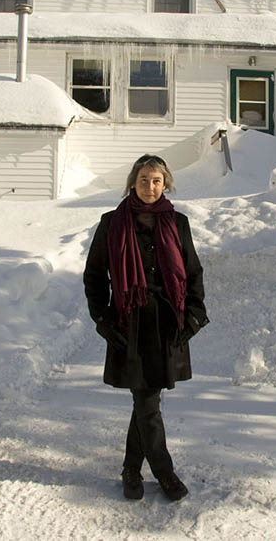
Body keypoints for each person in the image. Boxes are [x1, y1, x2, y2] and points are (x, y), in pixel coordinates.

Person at [83, 154, 209, 502]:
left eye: (156, 180)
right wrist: (103, 319)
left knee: (146, 399)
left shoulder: (177, 223)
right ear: (132, 183)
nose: (150, 186)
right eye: (143, 180)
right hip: (129, 322)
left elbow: (193, 272)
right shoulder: (112, 223)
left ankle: (130, 469)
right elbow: (94, 276)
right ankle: (164, 473)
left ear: (165, 183)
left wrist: (195, 316)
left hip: (168, 321)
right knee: (147, 400)